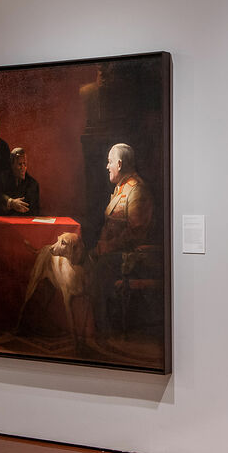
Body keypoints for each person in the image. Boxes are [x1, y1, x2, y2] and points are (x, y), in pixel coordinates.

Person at [92, 143, 154, 335]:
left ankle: (102, 330)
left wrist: (107, 247)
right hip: (113, 252)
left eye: (109, 162)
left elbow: (134, 233)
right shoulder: (122, 188)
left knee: (97, 269)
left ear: (119, 164)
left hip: (130, 257)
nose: (107, 166)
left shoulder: (137, 190)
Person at [4, 146, 41, 216]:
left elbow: (35, 211)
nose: (23, 168)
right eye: (20, 164)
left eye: (25, 164)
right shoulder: (2, 179)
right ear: (12, 165)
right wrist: (11, 203)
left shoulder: (33, 184)